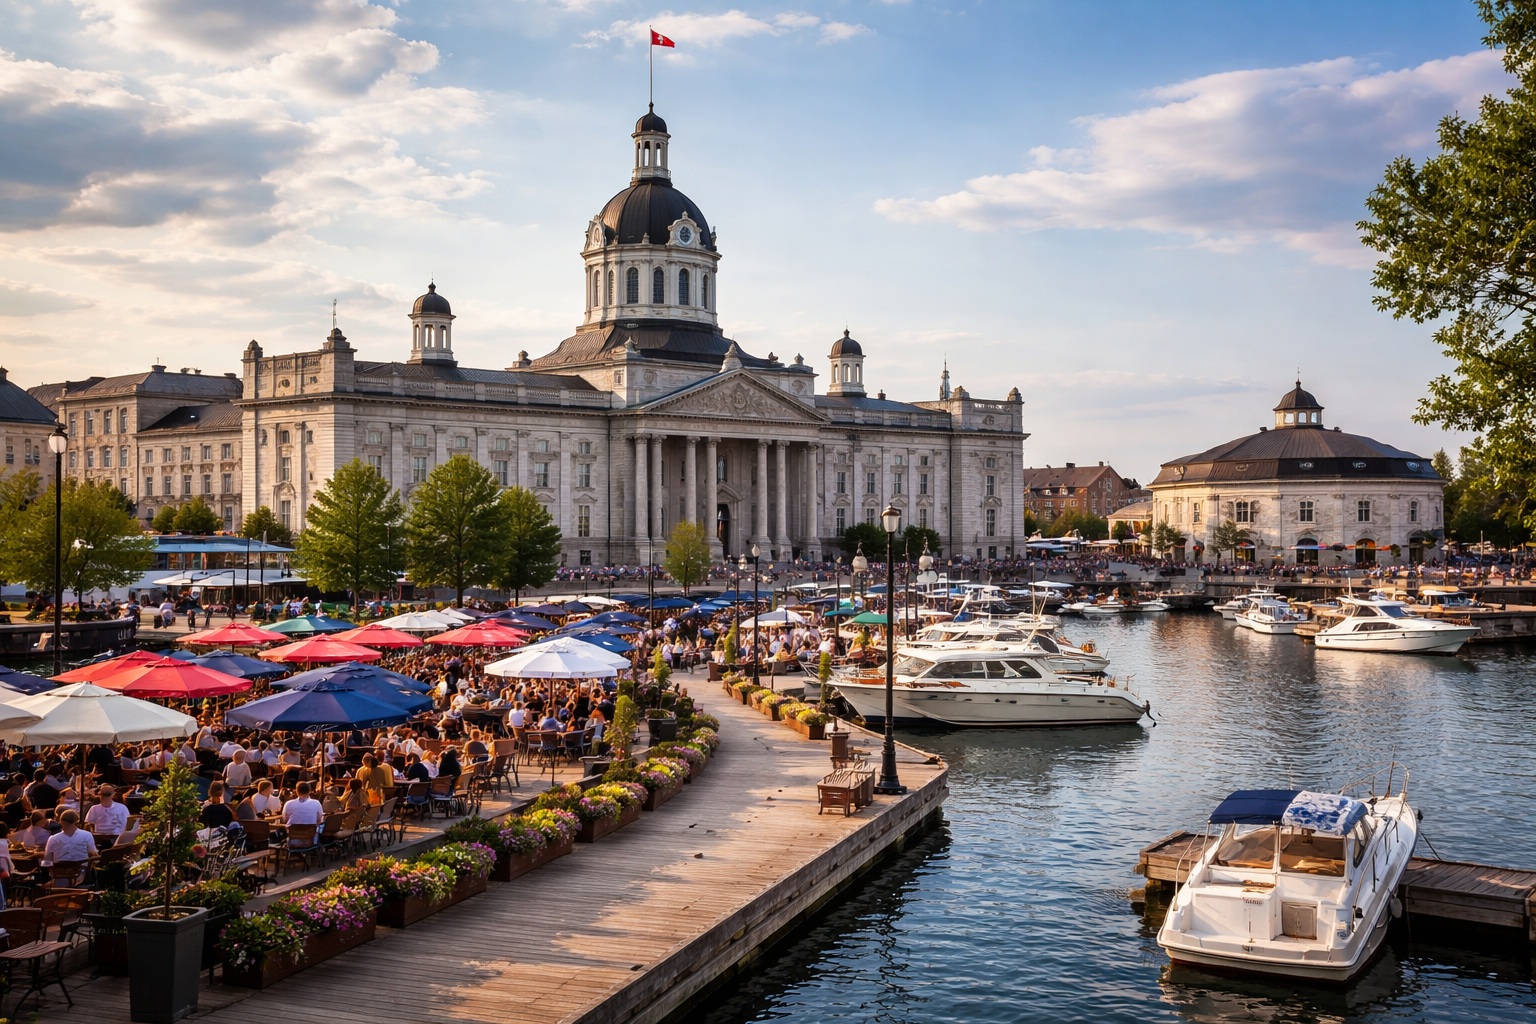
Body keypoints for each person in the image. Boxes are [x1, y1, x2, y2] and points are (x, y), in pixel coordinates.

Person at [42, 809, 98, 886]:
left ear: (60, 821)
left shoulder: (53, 839)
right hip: (81, 877)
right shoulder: (87, 835)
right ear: (76, 821)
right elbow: (94, 855)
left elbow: (47, 862)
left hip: (58, 878)